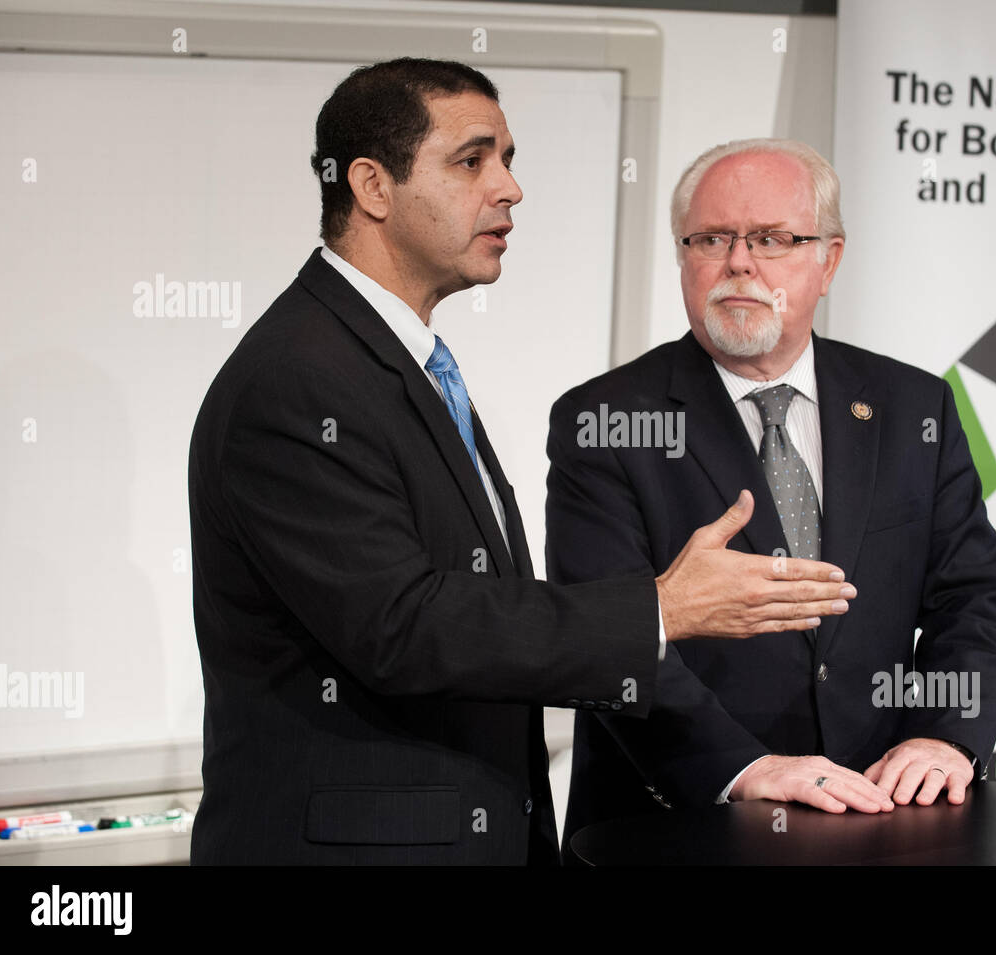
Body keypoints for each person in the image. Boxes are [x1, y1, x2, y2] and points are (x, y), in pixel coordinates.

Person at [187, 64, 853, 865]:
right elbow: (401, 627)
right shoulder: (298, 379)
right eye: (472, 161)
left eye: (506, 159)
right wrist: (659, 609)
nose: (509, 188)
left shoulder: (396, 361)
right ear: (372, 186)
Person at [547, 138, 996, 856]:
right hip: (673, 830)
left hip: (878, 820)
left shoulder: (916, 406)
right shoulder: (604, 420)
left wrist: (944, 735)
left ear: (829, 260)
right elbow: (601, 638)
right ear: (683, 257)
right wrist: (744, 768)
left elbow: (972, 601)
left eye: (771, 239)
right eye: (712, 239)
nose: (739, 261)